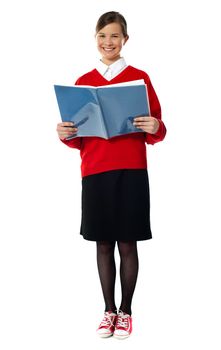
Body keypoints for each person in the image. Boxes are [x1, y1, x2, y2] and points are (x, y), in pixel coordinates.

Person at [56, 11, 166, 339]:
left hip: (131, 169)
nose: (109, 42)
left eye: (115, 36)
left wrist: (155, 126)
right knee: (102, 242)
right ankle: (108, 311)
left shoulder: (140, 78)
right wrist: (65, 133)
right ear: (96, 39)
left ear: (125, 40)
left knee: (127, 242)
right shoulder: (83, 82)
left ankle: (126, 311)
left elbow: (157, 128)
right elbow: (78, 139)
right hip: (95, 171)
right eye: (103, 36)